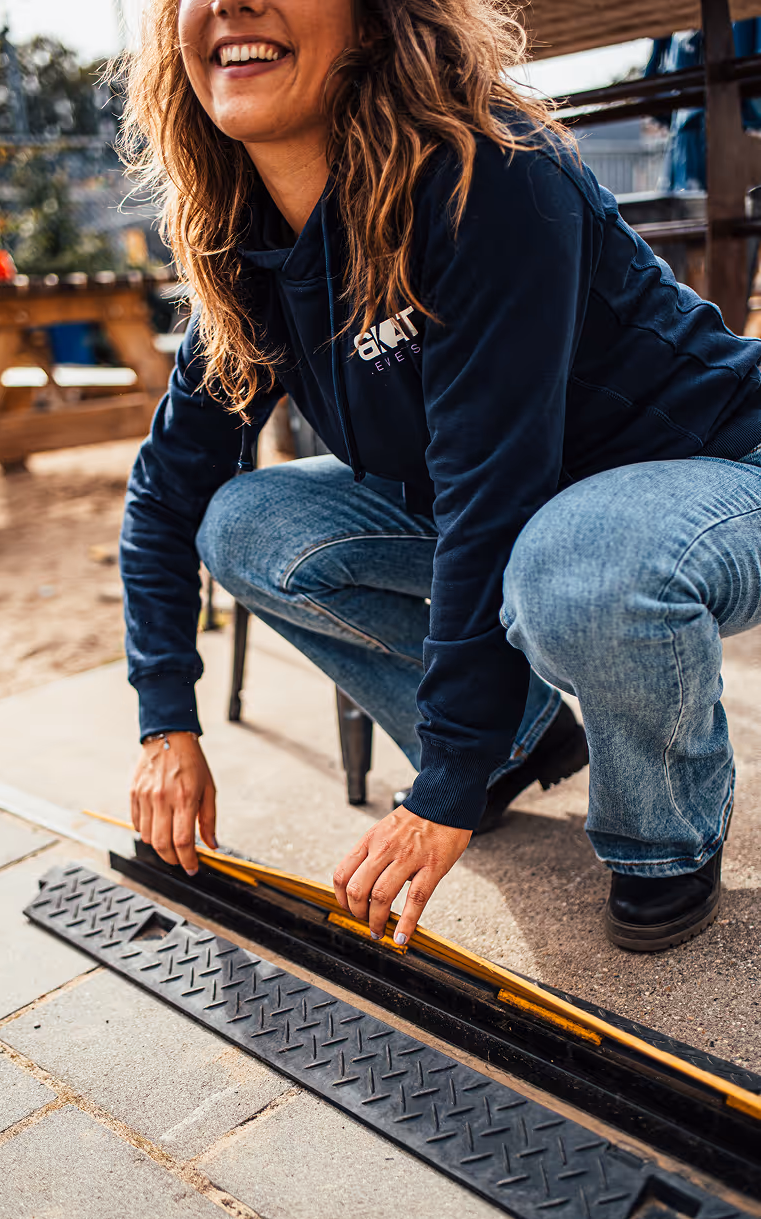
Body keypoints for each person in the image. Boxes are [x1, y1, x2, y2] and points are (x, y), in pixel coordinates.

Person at [119, 0, 761, 955]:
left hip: (713, 469)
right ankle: (518, 742)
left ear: (376, 17)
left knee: (571, 561)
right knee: (244, 520)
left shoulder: (492, 171)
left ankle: (663, 834)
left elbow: (488, 499)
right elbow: (167, 491)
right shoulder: (241, 246)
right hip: (535, 505)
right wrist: (163, 723)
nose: (231, 3)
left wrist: (440, 792)